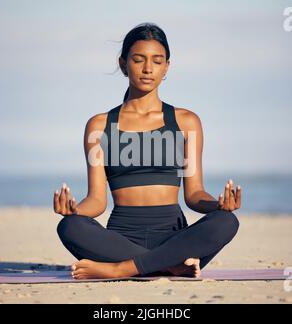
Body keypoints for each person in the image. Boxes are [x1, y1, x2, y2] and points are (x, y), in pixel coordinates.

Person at [53, 23, 241, 280]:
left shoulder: (186, 122)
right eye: (138, 59)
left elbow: (194, 194)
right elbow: (97, 200)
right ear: (123, 64)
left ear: (167, 67)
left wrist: (218, 205)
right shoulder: (99, 125)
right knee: (69, 227)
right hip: (121, 239)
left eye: (157, 61)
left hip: (175, 238)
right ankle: (169, 266)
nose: (147, 68)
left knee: (226, 221)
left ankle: (123, 269)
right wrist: (75, 211)